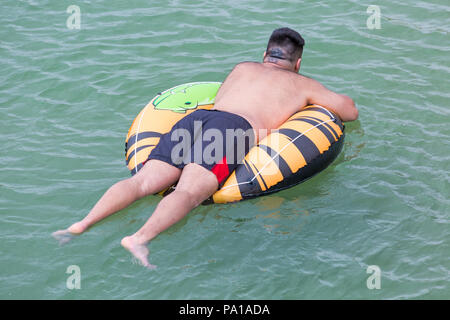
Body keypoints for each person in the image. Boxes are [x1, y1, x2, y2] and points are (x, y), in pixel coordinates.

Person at [53, 27, 358, 268]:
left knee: (143, 181)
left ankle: (82, 224)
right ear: (298, 62)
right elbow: (349, 111)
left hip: (199, 119)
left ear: (265, 54)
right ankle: (139, 238)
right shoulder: (302, 84)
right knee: (187, 193)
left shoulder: (242, 67)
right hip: (234, 129)